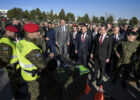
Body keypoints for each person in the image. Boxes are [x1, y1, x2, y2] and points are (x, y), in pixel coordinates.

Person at [16, 23, 47, 100]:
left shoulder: (21, 42)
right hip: (32, 76)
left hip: (24, 73)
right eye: (37, 31)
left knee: (30, 90)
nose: (39, 33)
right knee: (35, 94)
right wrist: (50, 57)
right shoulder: (32, 49)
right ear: (30, 34)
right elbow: (42, 65)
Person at [0, 25, 25, 98]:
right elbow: (4, 59)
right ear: (8, 32)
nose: (15, 34)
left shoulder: (9, 40)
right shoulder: (5, 43)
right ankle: (16, 94)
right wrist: (9, 66)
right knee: (13, 80)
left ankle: (17, 86)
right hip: (12, 67)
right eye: (14, 33)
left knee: (16, 79)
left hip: (15, 65)